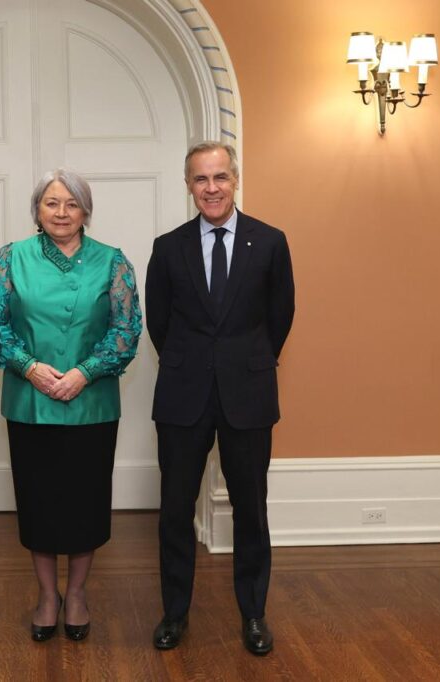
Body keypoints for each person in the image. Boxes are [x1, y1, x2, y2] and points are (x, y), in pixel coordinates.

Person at [0, 169, 142, 642]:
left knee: (86, 505)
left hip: (92, 406)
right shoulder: (12, 258)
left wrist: (84, 373)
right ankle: (47, 595)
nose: (62, 213)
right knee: (39, 504)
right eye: (52, 203)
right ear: (37, 210)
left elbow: (126, 329)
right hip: (30, 404)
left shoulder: (113, 262)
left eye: (72, 204)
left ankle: (77, 593)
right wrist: (30, 367)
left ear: (85, 210)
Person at [145, 142, 294, 655]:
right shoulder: (168, 247)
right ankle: (174, 613)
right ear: (189, 185)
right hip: (183, 397)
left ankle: (253, 614)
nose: (212, 188)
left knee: (252, 510)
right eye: (201, 179)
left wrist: (243, 361)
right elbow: (158, 323)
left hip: (248, 396)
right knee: (174, 511)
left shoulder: (270, 242)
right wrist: (194, 362)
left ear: (236, 180)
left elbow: (280, 319)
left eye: (220, 177)